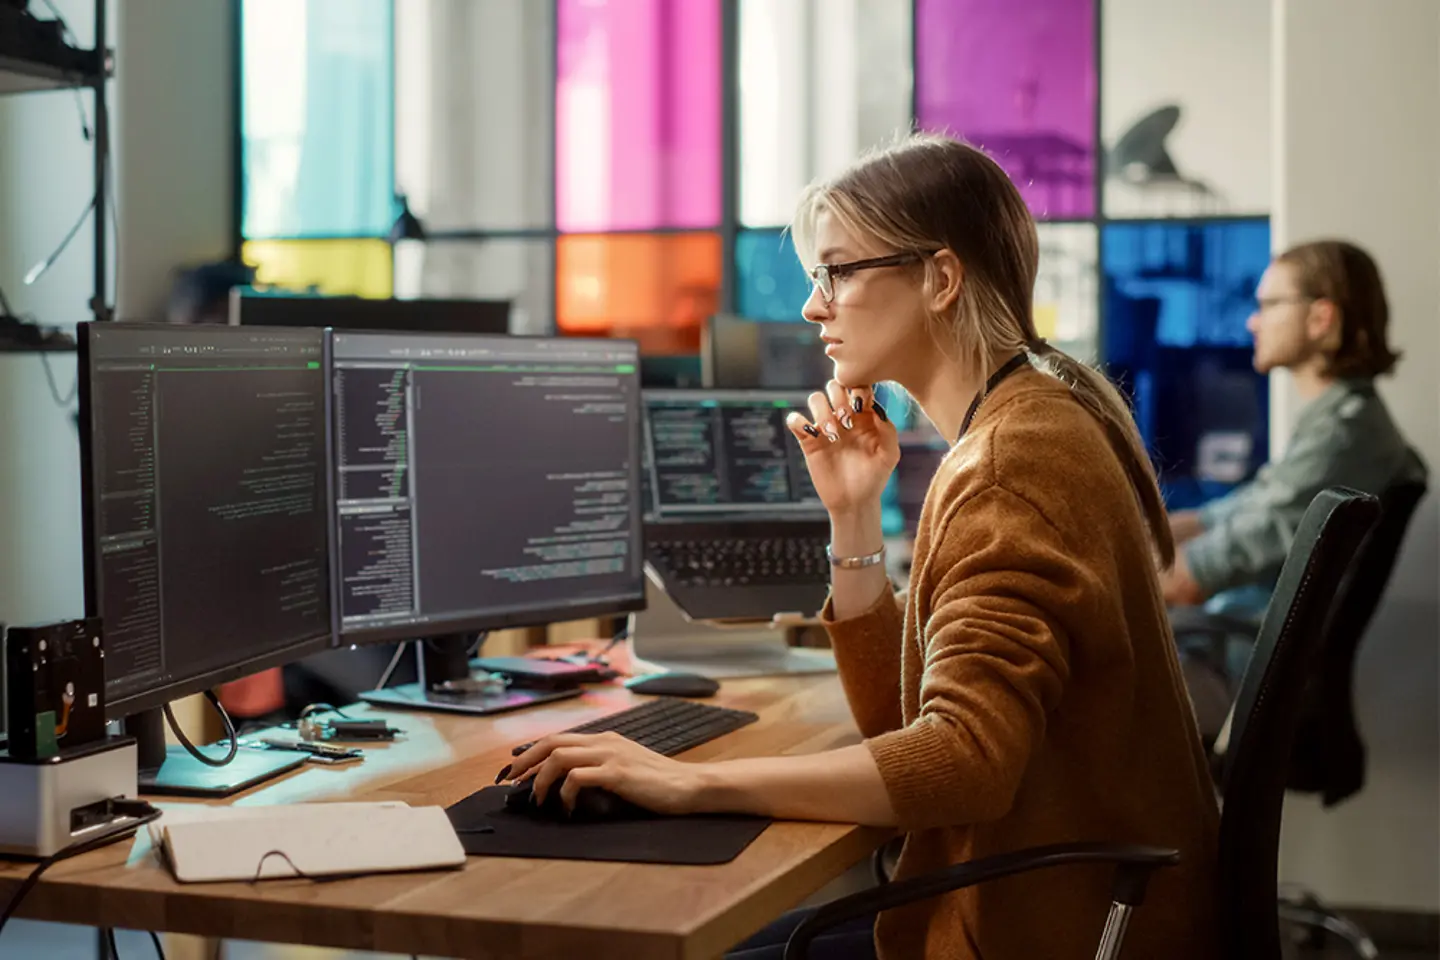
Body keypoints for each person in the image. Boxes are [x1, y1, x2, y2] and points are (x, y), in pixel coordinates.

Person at [503, 134, 1220, 959]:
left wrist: (686, 782)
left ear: (941, 279)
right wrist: (853, 515)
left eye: (838, 272)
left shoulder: (1010, 463)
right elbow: (904, 722)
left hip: (1046, 926)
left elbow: (965, 761)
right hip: (1073, 909)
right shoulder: (1038, 414)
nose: (814, 306)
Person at [1160, 240, 1426, 614]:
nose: (1253, 320)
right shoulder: (1335, 422)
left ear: (1321, 319)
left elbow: (1191, 580)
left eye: (1269, 305)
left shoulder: (1343, 436)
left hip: (1235, 651)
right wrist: (1140, 535)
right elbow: (1226, 516)